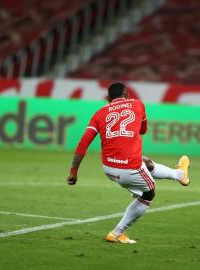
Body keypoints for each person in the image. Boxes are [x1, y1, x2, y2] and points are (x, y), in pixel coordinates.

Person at [67, 82, 190, 244]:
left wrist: (74, 171)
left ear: (108, 98)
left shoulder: (99, 114)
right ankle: (118, 233)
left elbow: (83, 144)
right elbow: (143, 130)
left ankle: (180, 174)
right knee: (149, 193)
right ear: (126, 95)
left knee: (145, 162)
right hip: (129, 168)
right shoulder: (137, 104)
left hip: (108, 168)